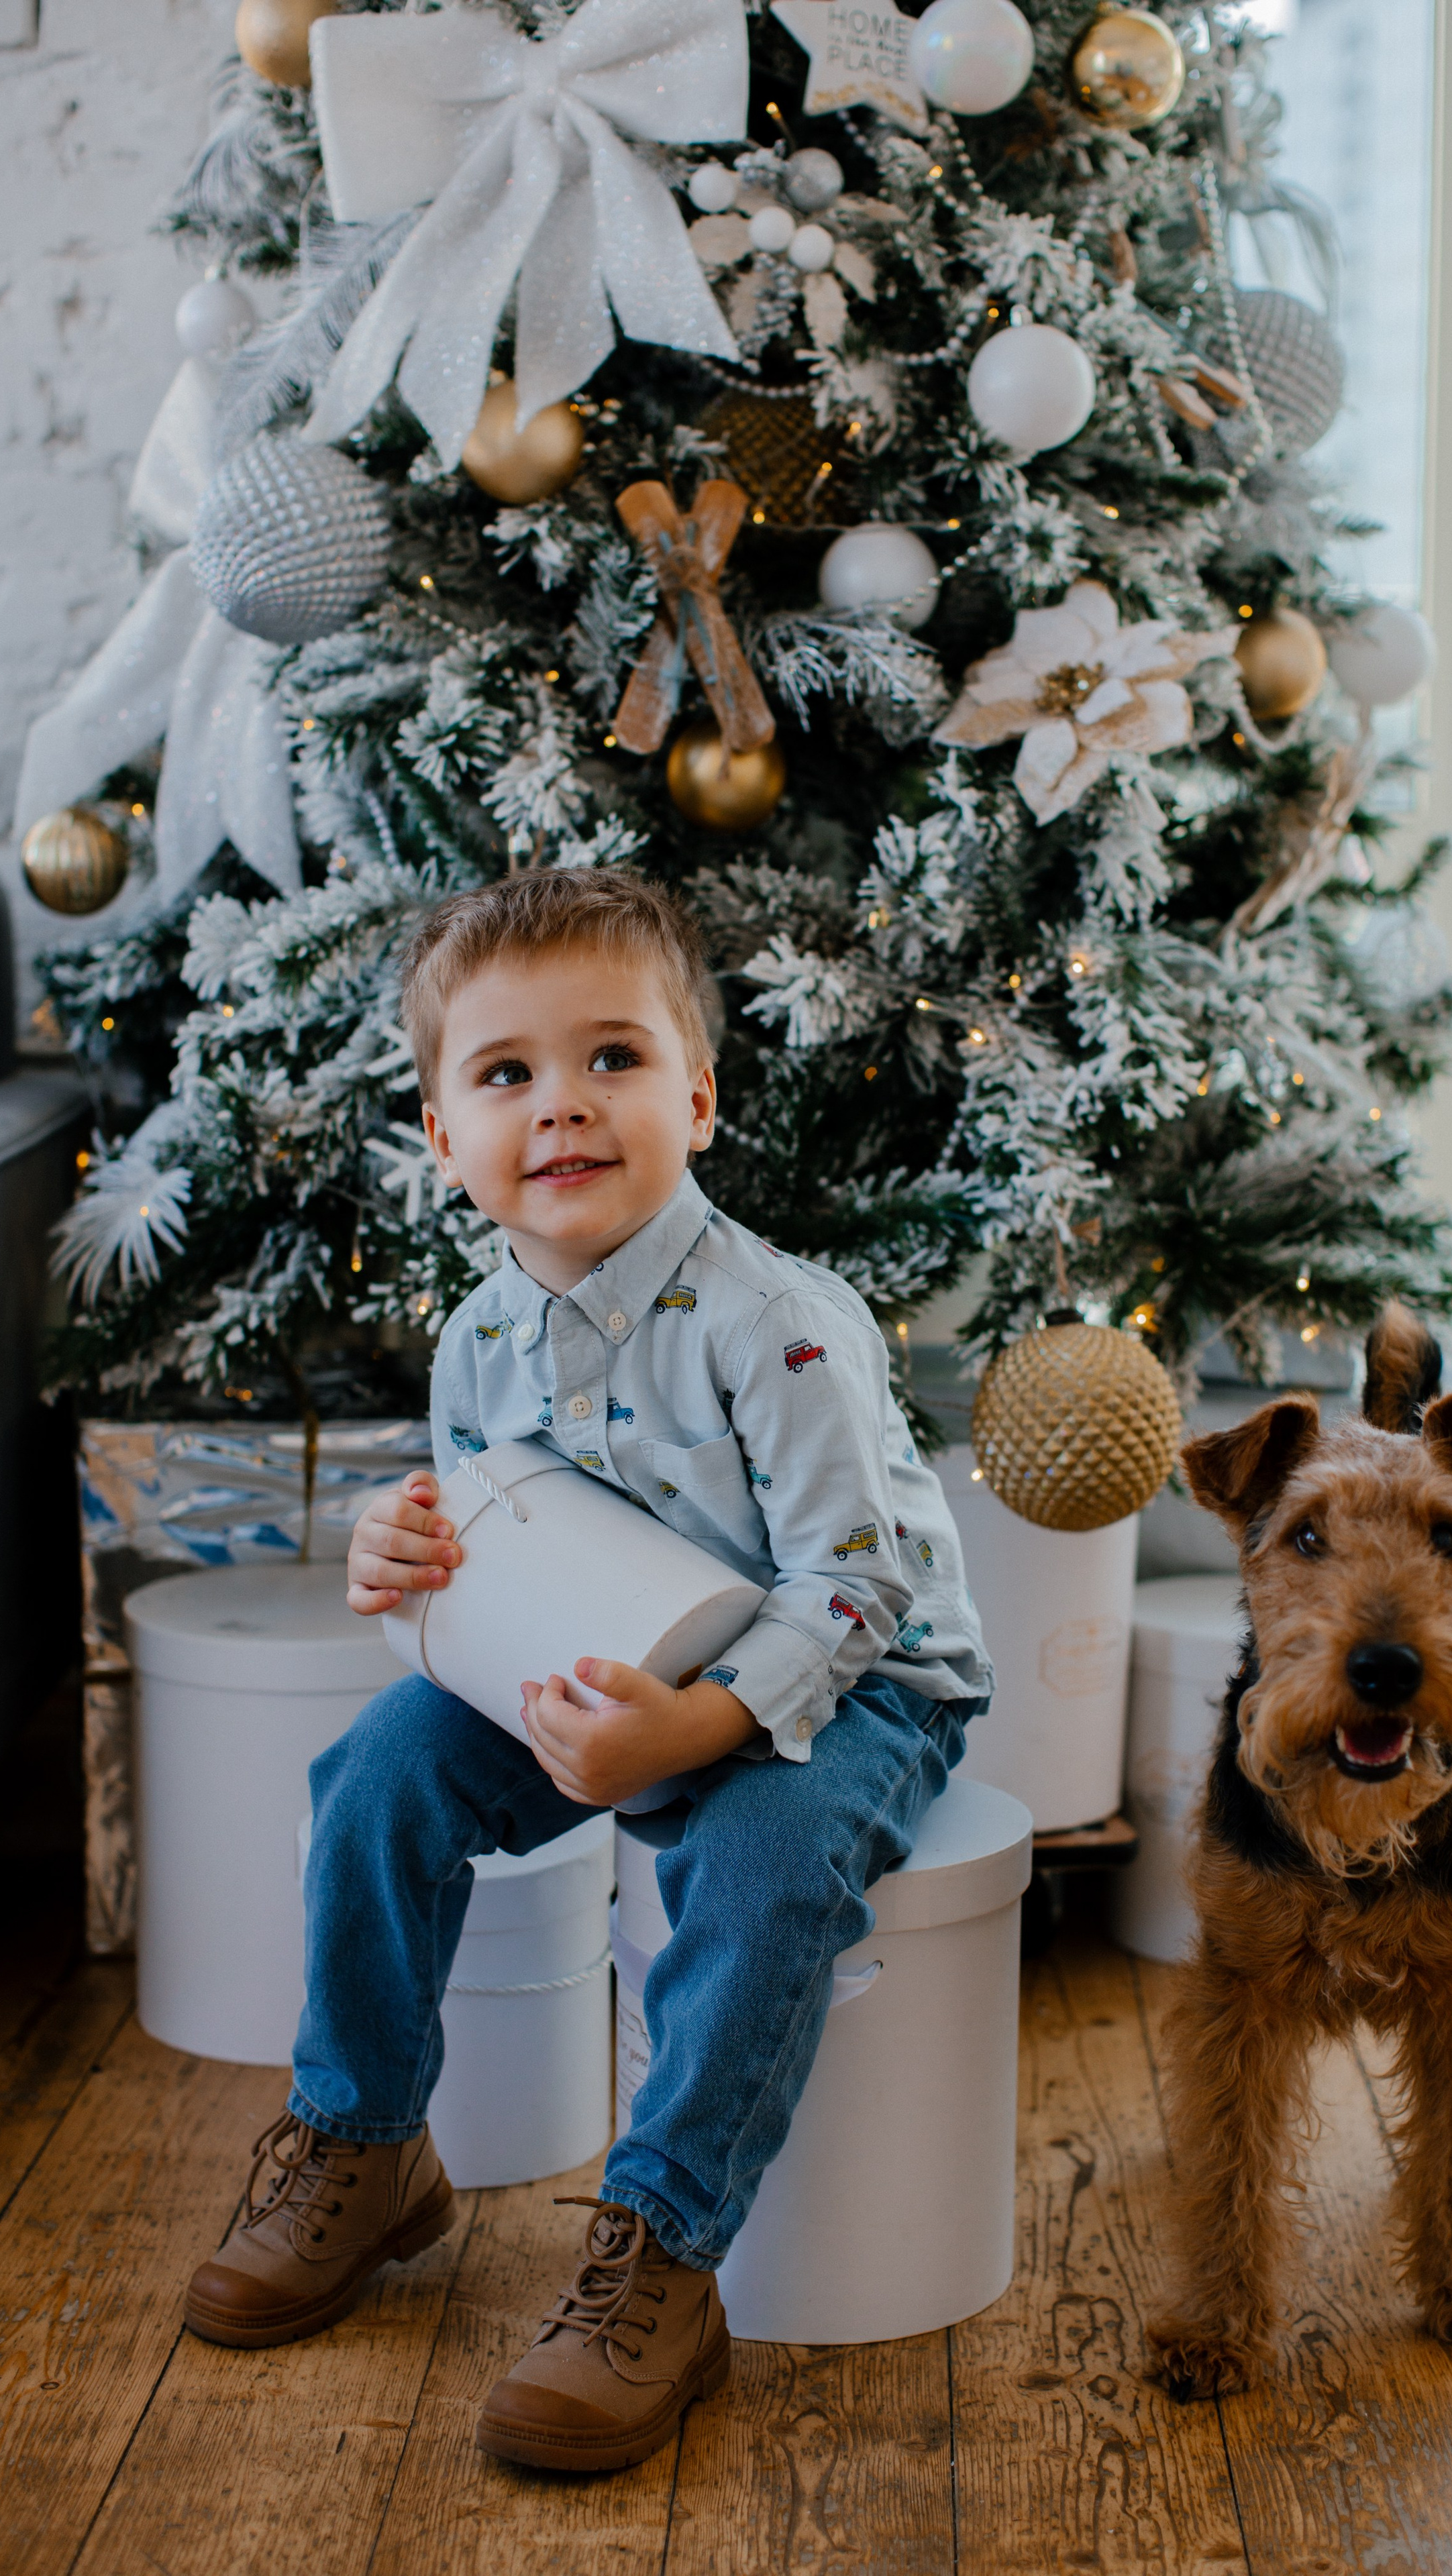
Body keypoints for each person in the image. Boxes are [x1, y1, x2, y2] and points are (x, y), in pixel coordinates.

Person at [180, 869, 991, 2475]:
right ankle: (360, 2143)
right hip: (603, 1675)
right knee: (376, 1777)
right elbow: (492, 1538)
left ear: (694, 1094)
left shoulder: (778, 1322)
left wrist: (695, 1726)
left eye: (610, 1060)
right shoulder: (480, 1333)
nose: (561, 1107)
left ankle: (661, 2257)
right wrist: (397, 1569)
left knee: (760, 1863)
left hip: (853, 1680)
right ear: (442, 1138)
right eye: (505, 1077)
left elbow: (861, 1579)